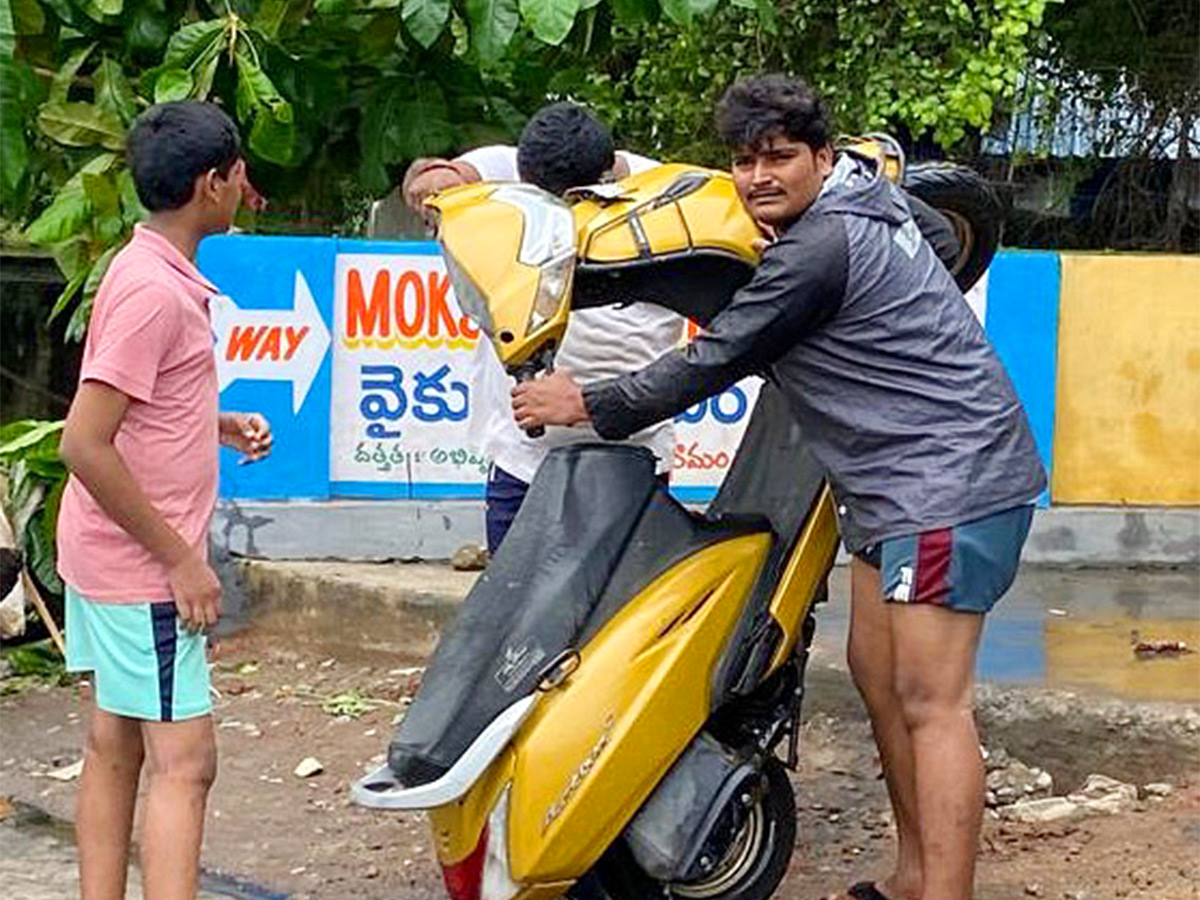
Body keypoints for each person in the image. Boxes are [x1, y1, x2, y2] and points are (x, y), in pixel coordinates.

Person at [511, 75, 1046, 900]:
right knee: (875, 672)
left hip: (949, 482)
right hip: (887, 487)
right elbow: (946, 236)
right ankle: (912, 876)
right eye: (745, 161)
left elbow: (715, 356)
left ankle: (948, 893)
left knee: (930, 701)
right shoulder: (877, 191)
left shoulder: (818, 248)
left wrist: (585, 399)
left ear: (820, 157)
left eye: (780, 158)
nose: (760, 177)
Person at [57, 100, 272, 900]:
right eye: (238, 170)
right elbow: (83, 443)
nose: (244, 182)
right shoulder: (156, 291)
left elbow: (132, 405)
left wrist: (213, 423)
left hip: (105, 560)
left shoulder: (143, 266)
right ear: (210, 185)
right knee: (187, 764)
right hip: (142, 573)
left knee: (115, 744)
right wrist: (182, 561)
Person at [402, 102, 683, 554]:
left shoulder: (673, 200)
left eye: (570, 201)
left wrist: (587, 403)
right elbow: (430, 178)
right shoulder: (509, 173)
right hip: (524, 462)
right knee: (510, 615)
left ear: (607, 176)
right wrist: (435, 181)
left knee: (625, 617)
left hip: (635, 459)